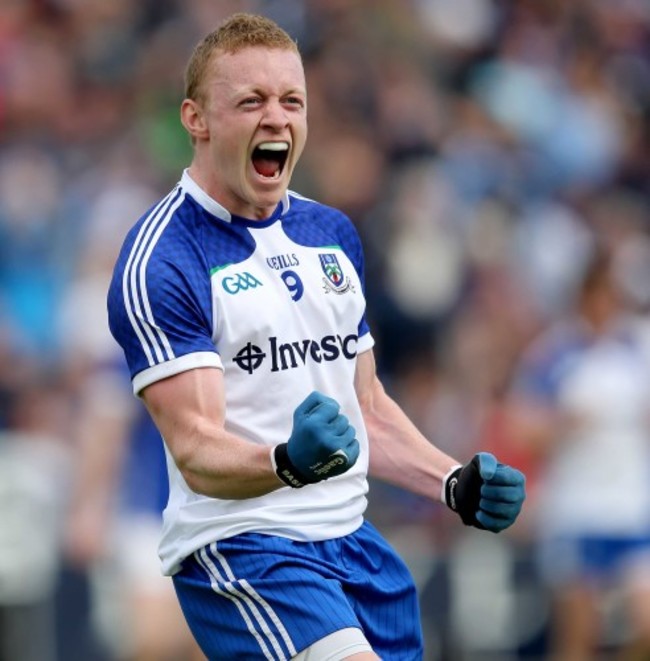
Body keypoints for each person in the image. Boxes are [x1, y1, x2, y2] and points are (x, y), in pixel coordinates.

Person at [107, 13, 525, 660]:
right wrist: (285, 460)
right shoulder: (163, 258)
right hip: (246, 548)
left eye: (291, 100)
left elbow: (367, 409)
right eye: (251, 100)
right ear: (196, 118)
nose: (277, 117)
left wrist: (451, 480)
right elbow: (195, 446)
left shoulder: (329, 234)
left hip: (353, 542)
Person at [507, 249, 650, 660]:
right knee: (578, 634)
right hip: (576, 508)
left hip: (631, 506)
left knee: (645, 621)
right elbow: (521, 426)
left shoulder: (637, 348)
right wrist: (563, 424)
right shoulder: (556, 352)